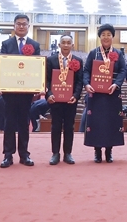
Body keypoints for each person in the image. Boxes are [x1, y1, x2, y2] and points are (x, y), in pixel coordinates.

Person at [0, 13, 41, 168]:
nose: (21, 26)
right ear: (14, 26)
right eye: (19, 24)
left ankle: (24, 155)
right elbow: (2, 65)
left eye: (24, 24)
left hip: (26, 91)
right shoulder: (6, 44)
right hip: (9, 91)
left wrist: (37, 86)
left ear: (28, 26)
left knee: (24, 122)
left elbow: (37, 67)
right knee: (9, 122)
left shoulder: (34, 45)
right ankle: (8, 155)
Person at [83, 24, 127, 163]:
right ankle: (97, 152)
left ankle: (109, 151)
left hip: (112, 93)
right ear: (99, 37)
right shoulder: (93, 53)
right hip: (96, 94)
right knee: (96, 123)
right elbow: (86, 70)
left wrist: (116, 84)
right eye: (103, 35)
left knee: (111, 122)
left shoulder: (118, 54)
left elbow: (123, 70)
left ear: (112, 37)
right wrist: (87, 84)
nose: (106, 37)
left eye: (109, 35)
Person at [45, 34, 82, 165]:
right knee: (55, 126)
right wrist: (49, 94)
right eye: (63, 42)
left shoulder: (78, 60)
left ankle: (68, 153)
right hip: (55, 100)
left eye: (68, 42)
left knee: (69, 127)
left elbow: (79, 81)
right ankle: (55, 153)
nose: (66, 45)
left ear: (72, 45)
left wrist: (75, 96)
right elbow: (47, 80)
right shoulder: (51, 60)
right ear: (59, 44)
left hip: (70, 100)